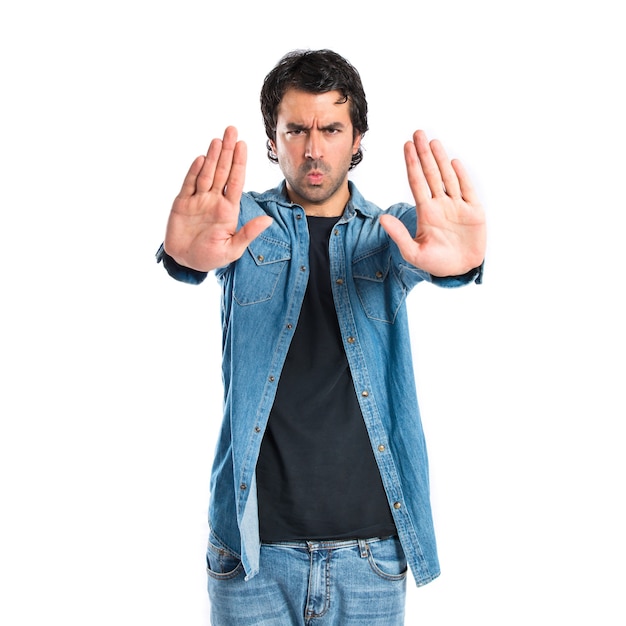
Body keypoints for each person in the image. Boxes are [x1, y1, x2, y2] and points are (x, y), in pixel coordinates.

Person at [156, 49, 486, 626]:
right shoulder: (242, 222)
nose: (314, 148)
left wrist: (458, 264)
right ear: (273, 138)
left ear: (357, 137)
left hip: (371, 557)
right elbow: (199, 250)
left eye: (332, 129)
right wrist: (182, 258)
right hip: (252, 556)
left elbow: (433, 252)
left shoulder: (388, 231)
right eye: (297, 130)